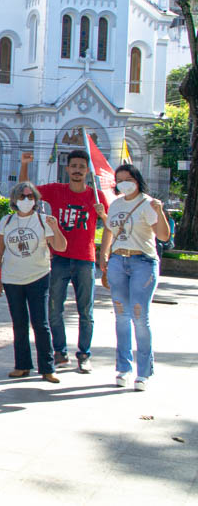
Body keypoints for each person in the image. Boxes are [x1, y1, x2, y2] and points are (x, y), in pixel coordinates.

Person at [19, 149, 108, 374]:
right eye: (74, 166)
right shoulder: (57, 190)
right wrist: (25, 165)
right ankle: (60, 351)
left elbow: (111, 227)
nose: (77, 170)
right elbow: (25, 191)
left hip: (85, 261)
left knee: (85, 311)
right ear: (67, 169)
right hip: (59, 258)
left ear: (87, 170)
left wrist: (104, 254)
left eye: (82, 166)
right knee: (54, 308)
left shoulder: (96, 197)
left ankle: (84, 354)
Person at [98, 165, 171, 391]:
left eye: (128, 179)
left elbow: (163, 236)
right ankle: (124, 369)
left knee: (139, 315)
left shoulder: (148, 203)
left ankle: (144, 372)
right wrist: (104, 255)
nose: (123, 183)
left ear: (137, 180)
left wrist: (159, 213)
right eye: (119, 180)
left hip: (143, 262)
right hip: (119, 262)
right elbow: (110, 229)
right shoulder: (117, 204)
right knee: (121, 315)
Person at [0, 182, 65, 384]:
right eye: (22, 197)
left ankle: (47, 367)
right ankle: (22, 365)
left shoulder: (42, 220)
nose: (26, 200)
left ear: (36, 199)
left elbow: (60, 246)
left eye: (30, 197)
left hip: (38, 276)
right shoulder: (6, 221)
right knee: (19, 324)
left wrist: (55, 228)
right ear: (14, 200)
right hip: (11, 279)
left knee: (40, 323)